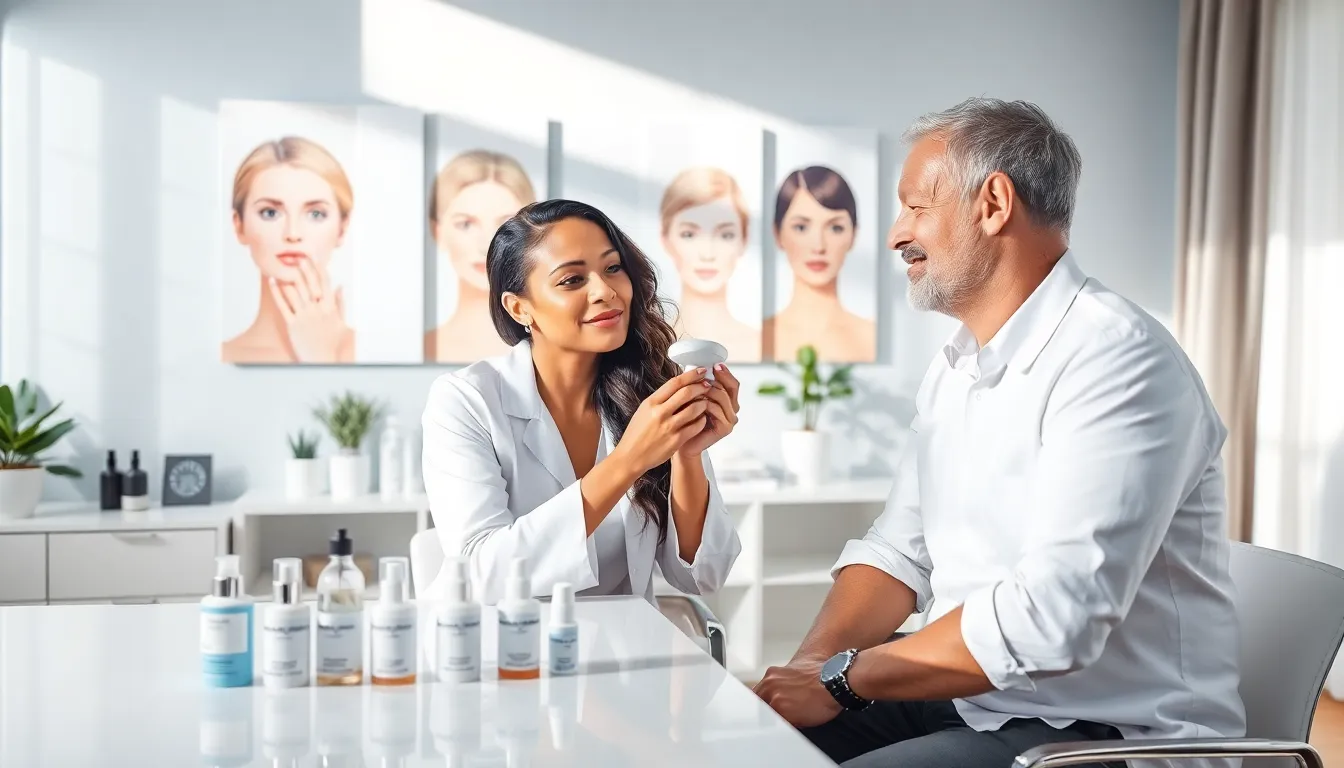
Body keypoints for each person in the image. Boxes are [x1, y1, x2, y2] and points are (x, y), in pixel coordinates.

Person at [752, 97, 1245, 768]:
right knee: (747, 740)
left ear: (992, 203)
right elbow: (900, 550)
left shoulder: (1118, 358)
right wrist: (812, 669)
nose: (896, 234)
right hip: (979, 701)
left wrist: (845, 677)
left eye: (916, 207)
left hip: (1105, 734)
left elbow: (1053, 620)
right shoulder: (956, 366)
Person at [419, 198, 743, 605]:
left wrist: (687, 456)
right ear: (519, 308)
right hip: (499, 651)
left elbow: (705, 576)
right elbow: (485, 578)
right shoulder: (466, 401)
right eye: (572, 280)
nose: (605, 292)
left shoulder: (648, 391)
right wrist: (628, 461)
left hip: (619, 651)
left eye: (612, 268)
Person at [222, 136, 355, 364]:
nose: (292, 233)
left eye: (315, 214)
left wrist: (321, 355)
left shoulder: (375, 351)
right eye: (270, 213)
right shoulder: (223, 356)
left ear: (342, 228)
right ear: (239, 225)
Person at [425, 149, 537, 363]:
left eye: (505, 225)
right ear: (438, 232)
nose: (486, 244)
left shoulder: (548, 349)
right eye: (466, 224)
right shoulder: (423, 348)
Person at [764, 166, 876, 363]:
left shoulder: (870, 337)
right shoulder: (755, 339)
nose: (819, 246)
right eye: (801, 227)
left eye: (835, 227)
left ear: (853, 235)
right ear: (777, 234)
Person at [659, 167, 761, 361]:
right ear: (665, 238)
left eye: (725, 235)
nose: (707, 254)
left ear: (744, 240)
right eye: (689, 234)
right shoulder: (647, 347)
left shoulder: (760, 345)